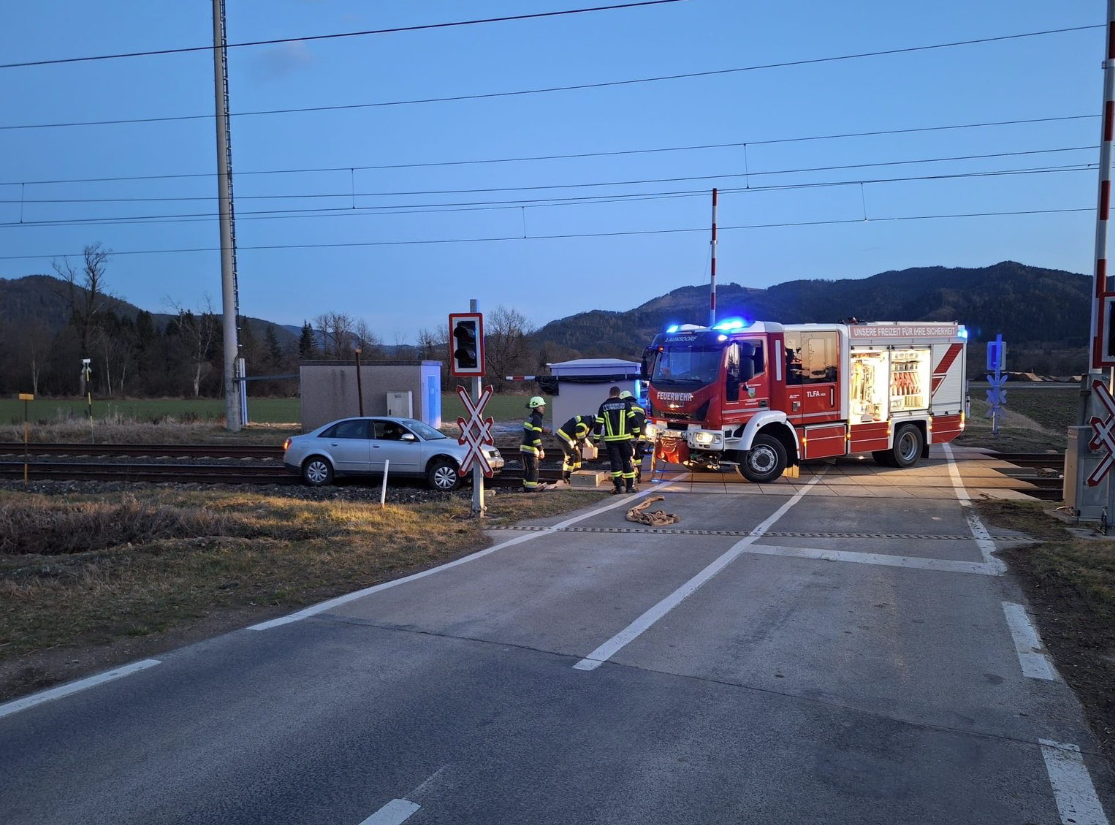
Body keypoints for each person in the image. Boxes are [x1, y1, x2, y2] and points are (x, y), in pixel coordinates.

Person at [595, 386, 641, 494]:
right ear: (619, 394)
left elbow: (598, 424)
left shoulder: (604, 406)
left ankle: (619, 487)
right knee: (627, 461)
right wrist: (637, 434)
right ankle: (630, 487)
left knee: (615, 462)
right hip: (625, 439)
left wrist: (596, 440)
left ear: (609, 394)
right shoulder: (625, 404)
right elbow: (634, 420)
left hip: (611, 441)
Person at [555, 413, 596, 483]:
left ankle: (576, 473)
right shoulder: (587, 421)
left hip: (571, 437)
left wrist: (587, 444)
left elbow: (582, 434)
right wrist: (585, 442)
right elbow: (579, 430)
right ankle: (566, 477)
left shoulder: (588, 421)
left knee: (577, 454)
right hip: (564, 436)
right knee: (570, 455)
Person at [520, 396, 549, 491]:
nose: (543, 407)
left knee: (527, 469)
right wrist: (541, 449)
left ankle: (526, 487)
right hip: (530, 448)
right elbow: (535, 437)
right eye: (541, 406)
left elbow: (530, 430)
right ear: (536, 407)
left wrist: (542, 429)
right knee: (533, 470)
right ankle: (532, 489)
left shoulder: (531, 417)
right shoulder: (537, 419)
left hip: (524, 447)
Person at [621, 390, 648, 481]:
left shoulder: (626, 406)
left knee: (628, 455)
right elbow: (645, 421)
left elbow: (626, 421)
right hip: (642, 436)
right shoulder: (640, 407)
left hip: (631, 435)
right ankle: (639, 474)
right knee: (637, 455)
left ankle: (630, 475)